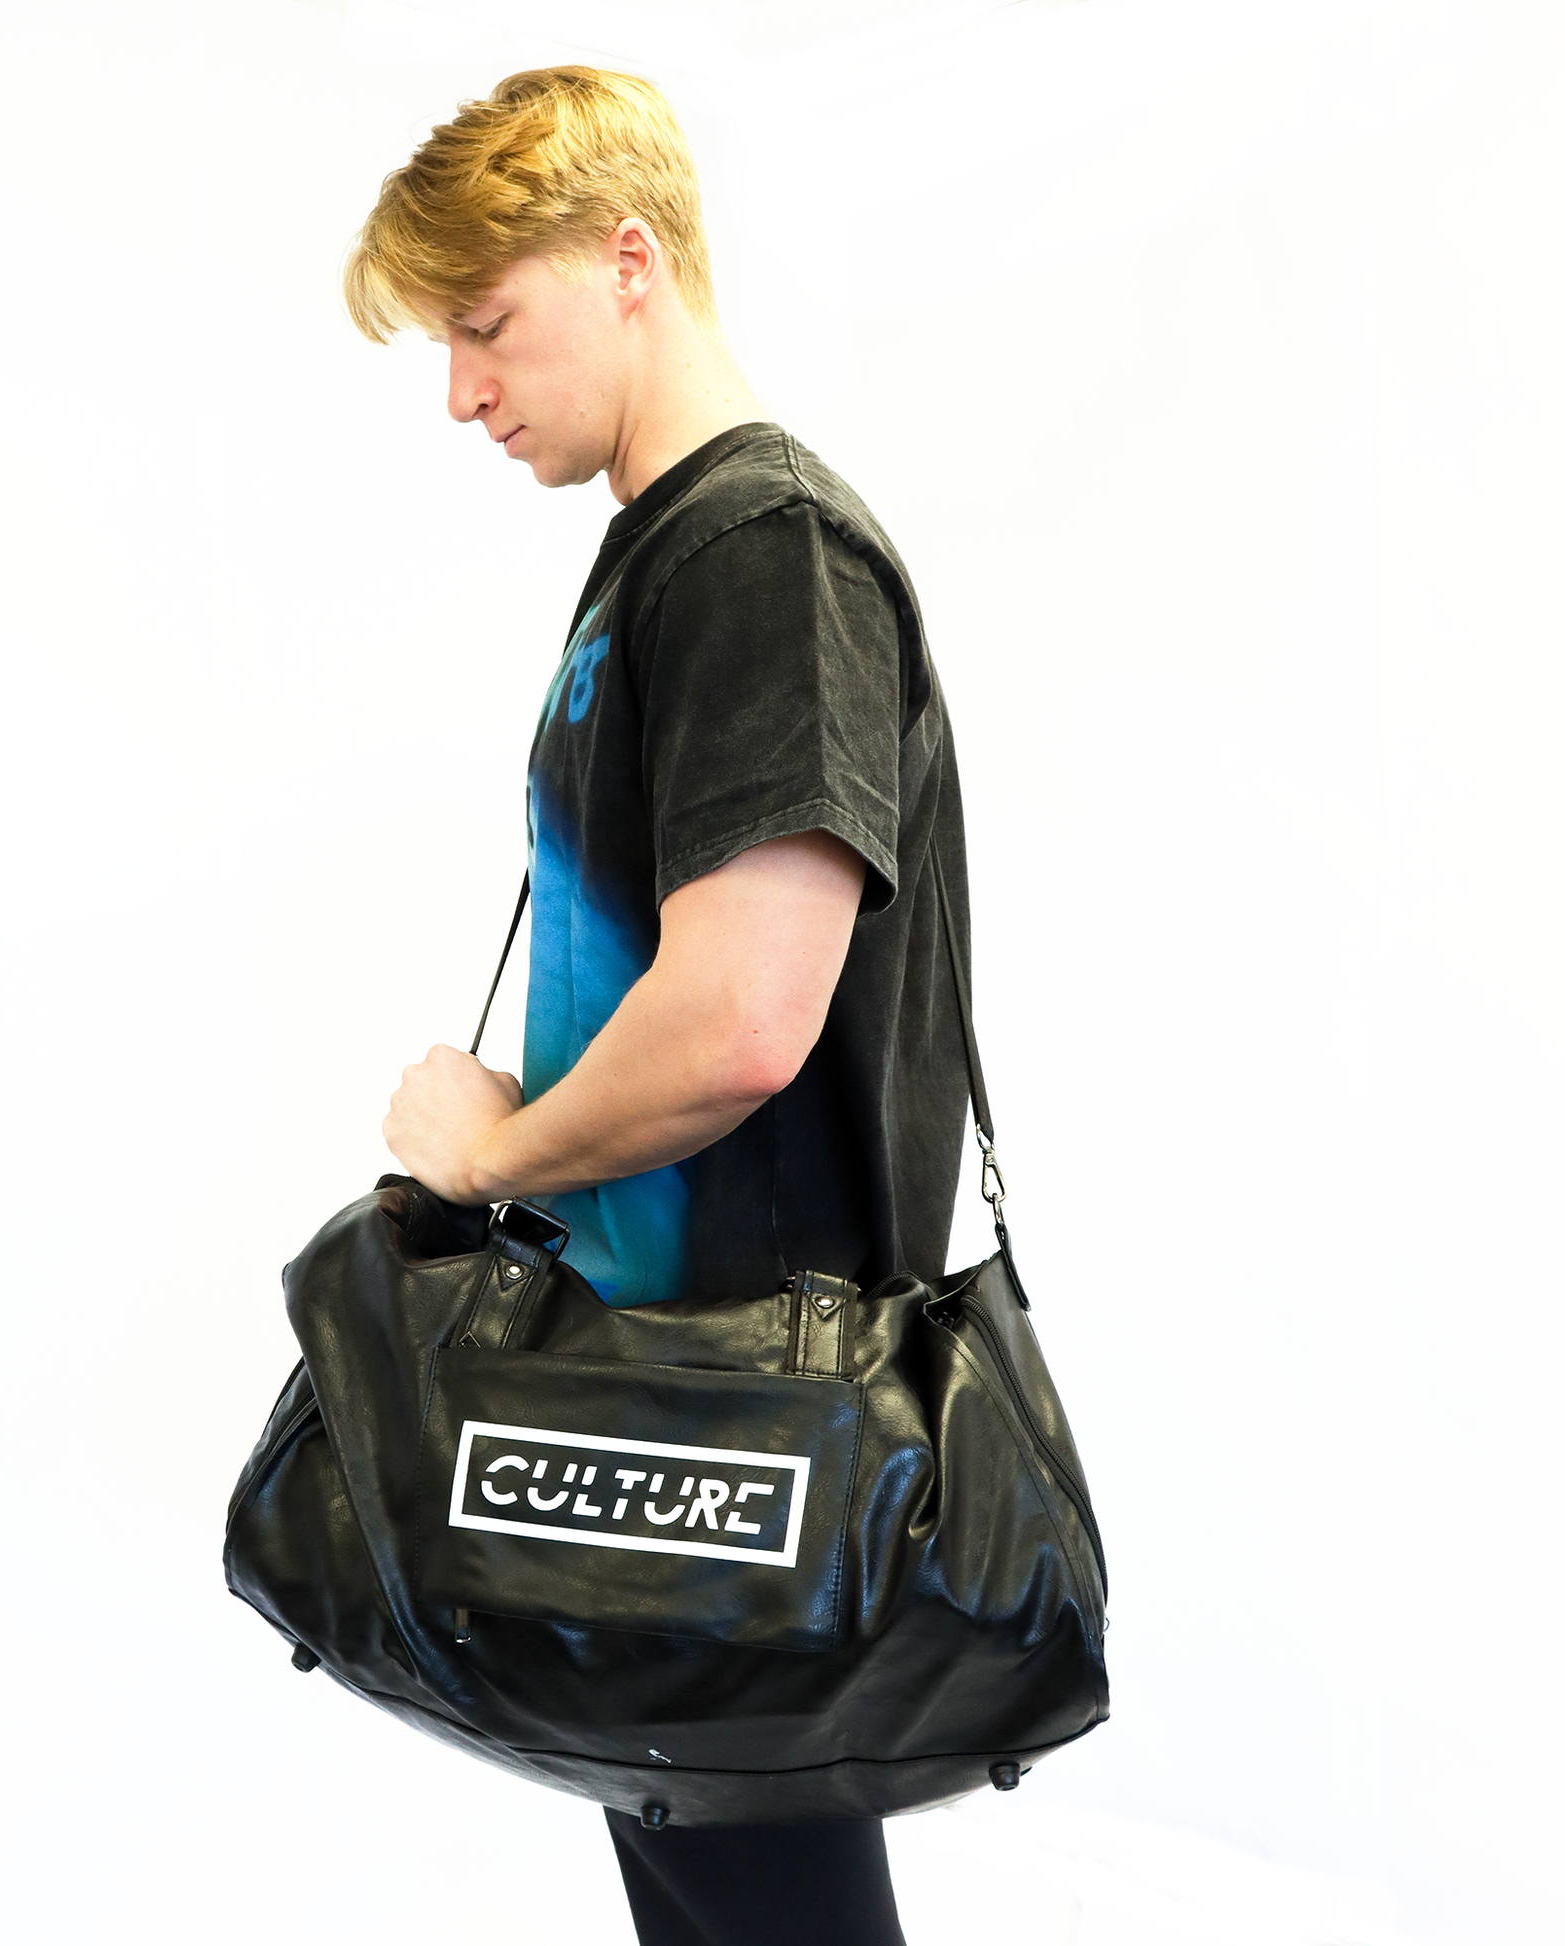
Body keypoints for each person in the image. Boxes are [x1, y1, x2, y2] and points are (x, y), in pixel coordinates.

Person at [347, 66, 977, 1946]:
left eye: (483, 323)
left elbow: (738, 1019)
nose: (462, 391)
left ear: (629, 261)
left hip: (739, 1428)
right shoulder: (661, 555)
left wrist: (490, 1151)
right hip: (651, 1399)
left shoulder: (763, 552)